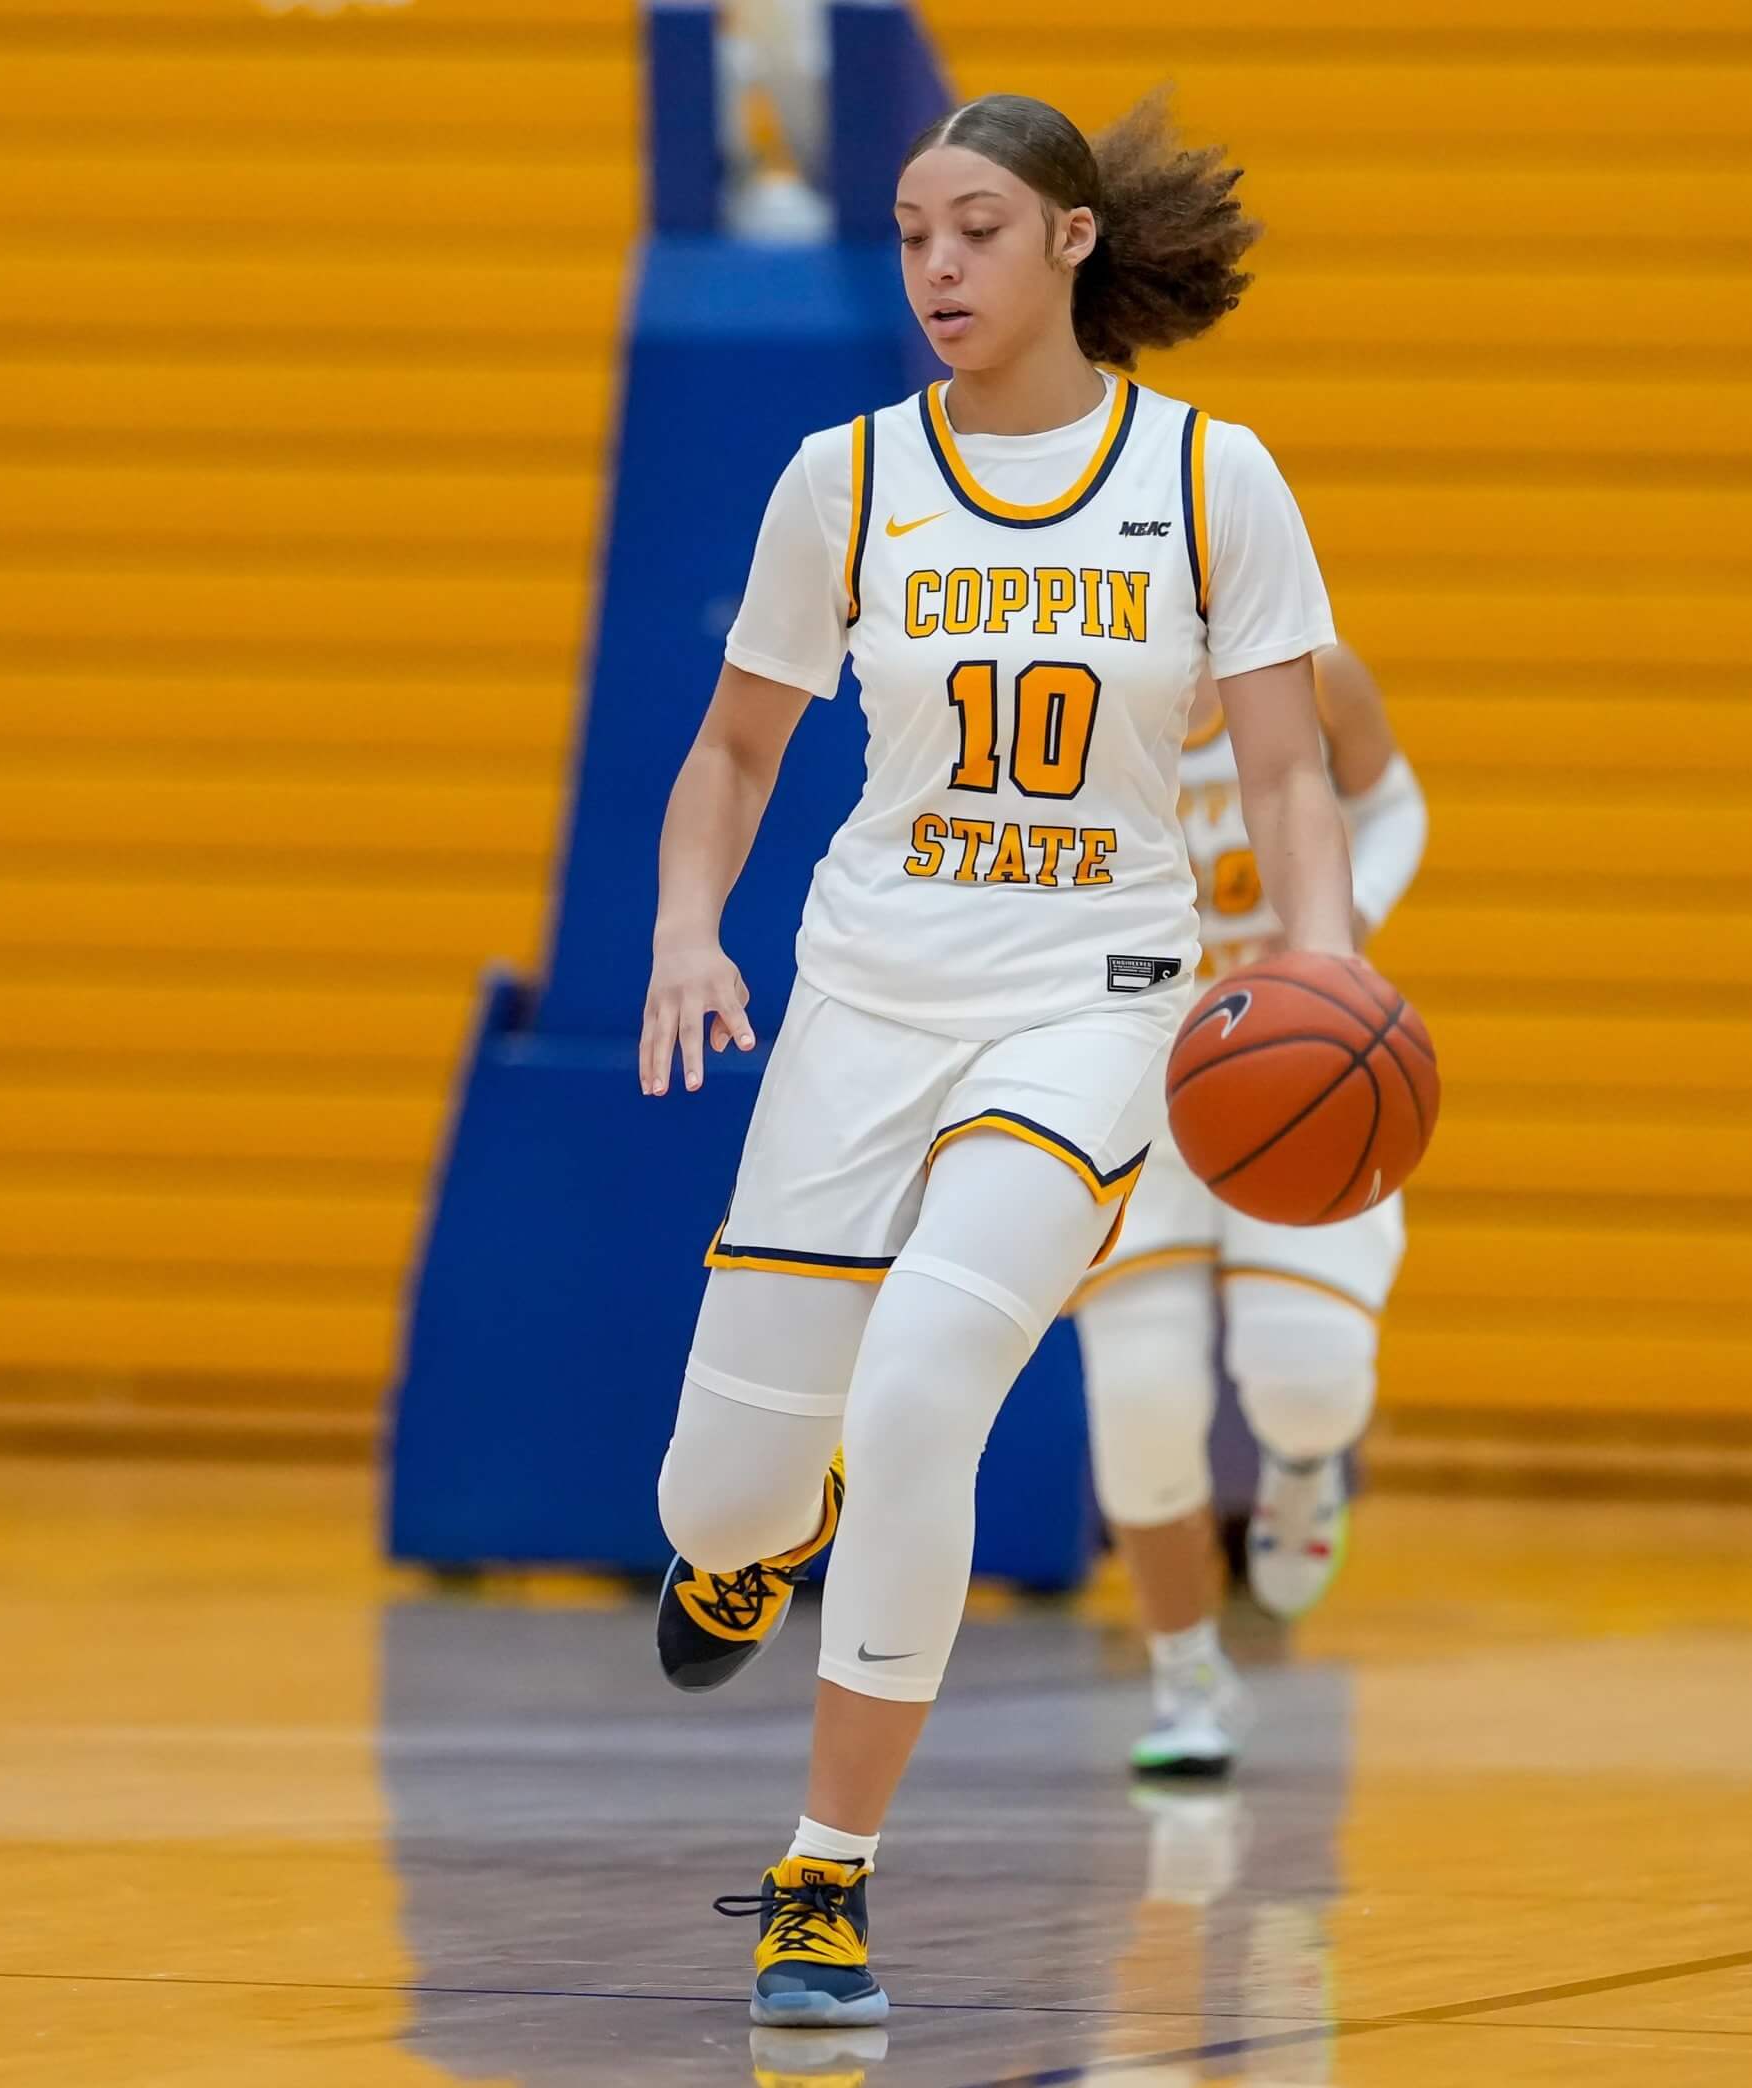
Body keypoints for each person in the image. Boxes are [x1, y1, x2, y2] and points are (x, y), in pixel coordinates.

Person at [638, 87, 1367, 2028]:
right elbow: (729, 752)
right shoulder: (845, 480)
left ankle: (822, 1876)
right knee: (718, 1499)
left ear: (1066, 244)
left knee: (926, 1389)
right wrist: (682, 929)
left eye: (973, 230)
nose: (935, 267)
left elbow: (1290, 772)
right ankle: (749, 1548)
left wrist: (1321, 969)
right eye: (906, 233)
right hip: (864, 995)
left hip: (1095, 997)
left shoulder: (1213, 479)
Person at [1069, 641, 1426, 1777]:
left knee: (1307, 1376)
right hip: (1131, 1074)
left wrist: (1337, 929)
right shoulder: (1062, 670)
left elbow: (1396, 804)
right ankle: (1185, 1682)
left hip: (1299, 1064)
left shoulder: (1315, 671)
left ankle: (1306, 1463)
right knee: (1138, 1403)